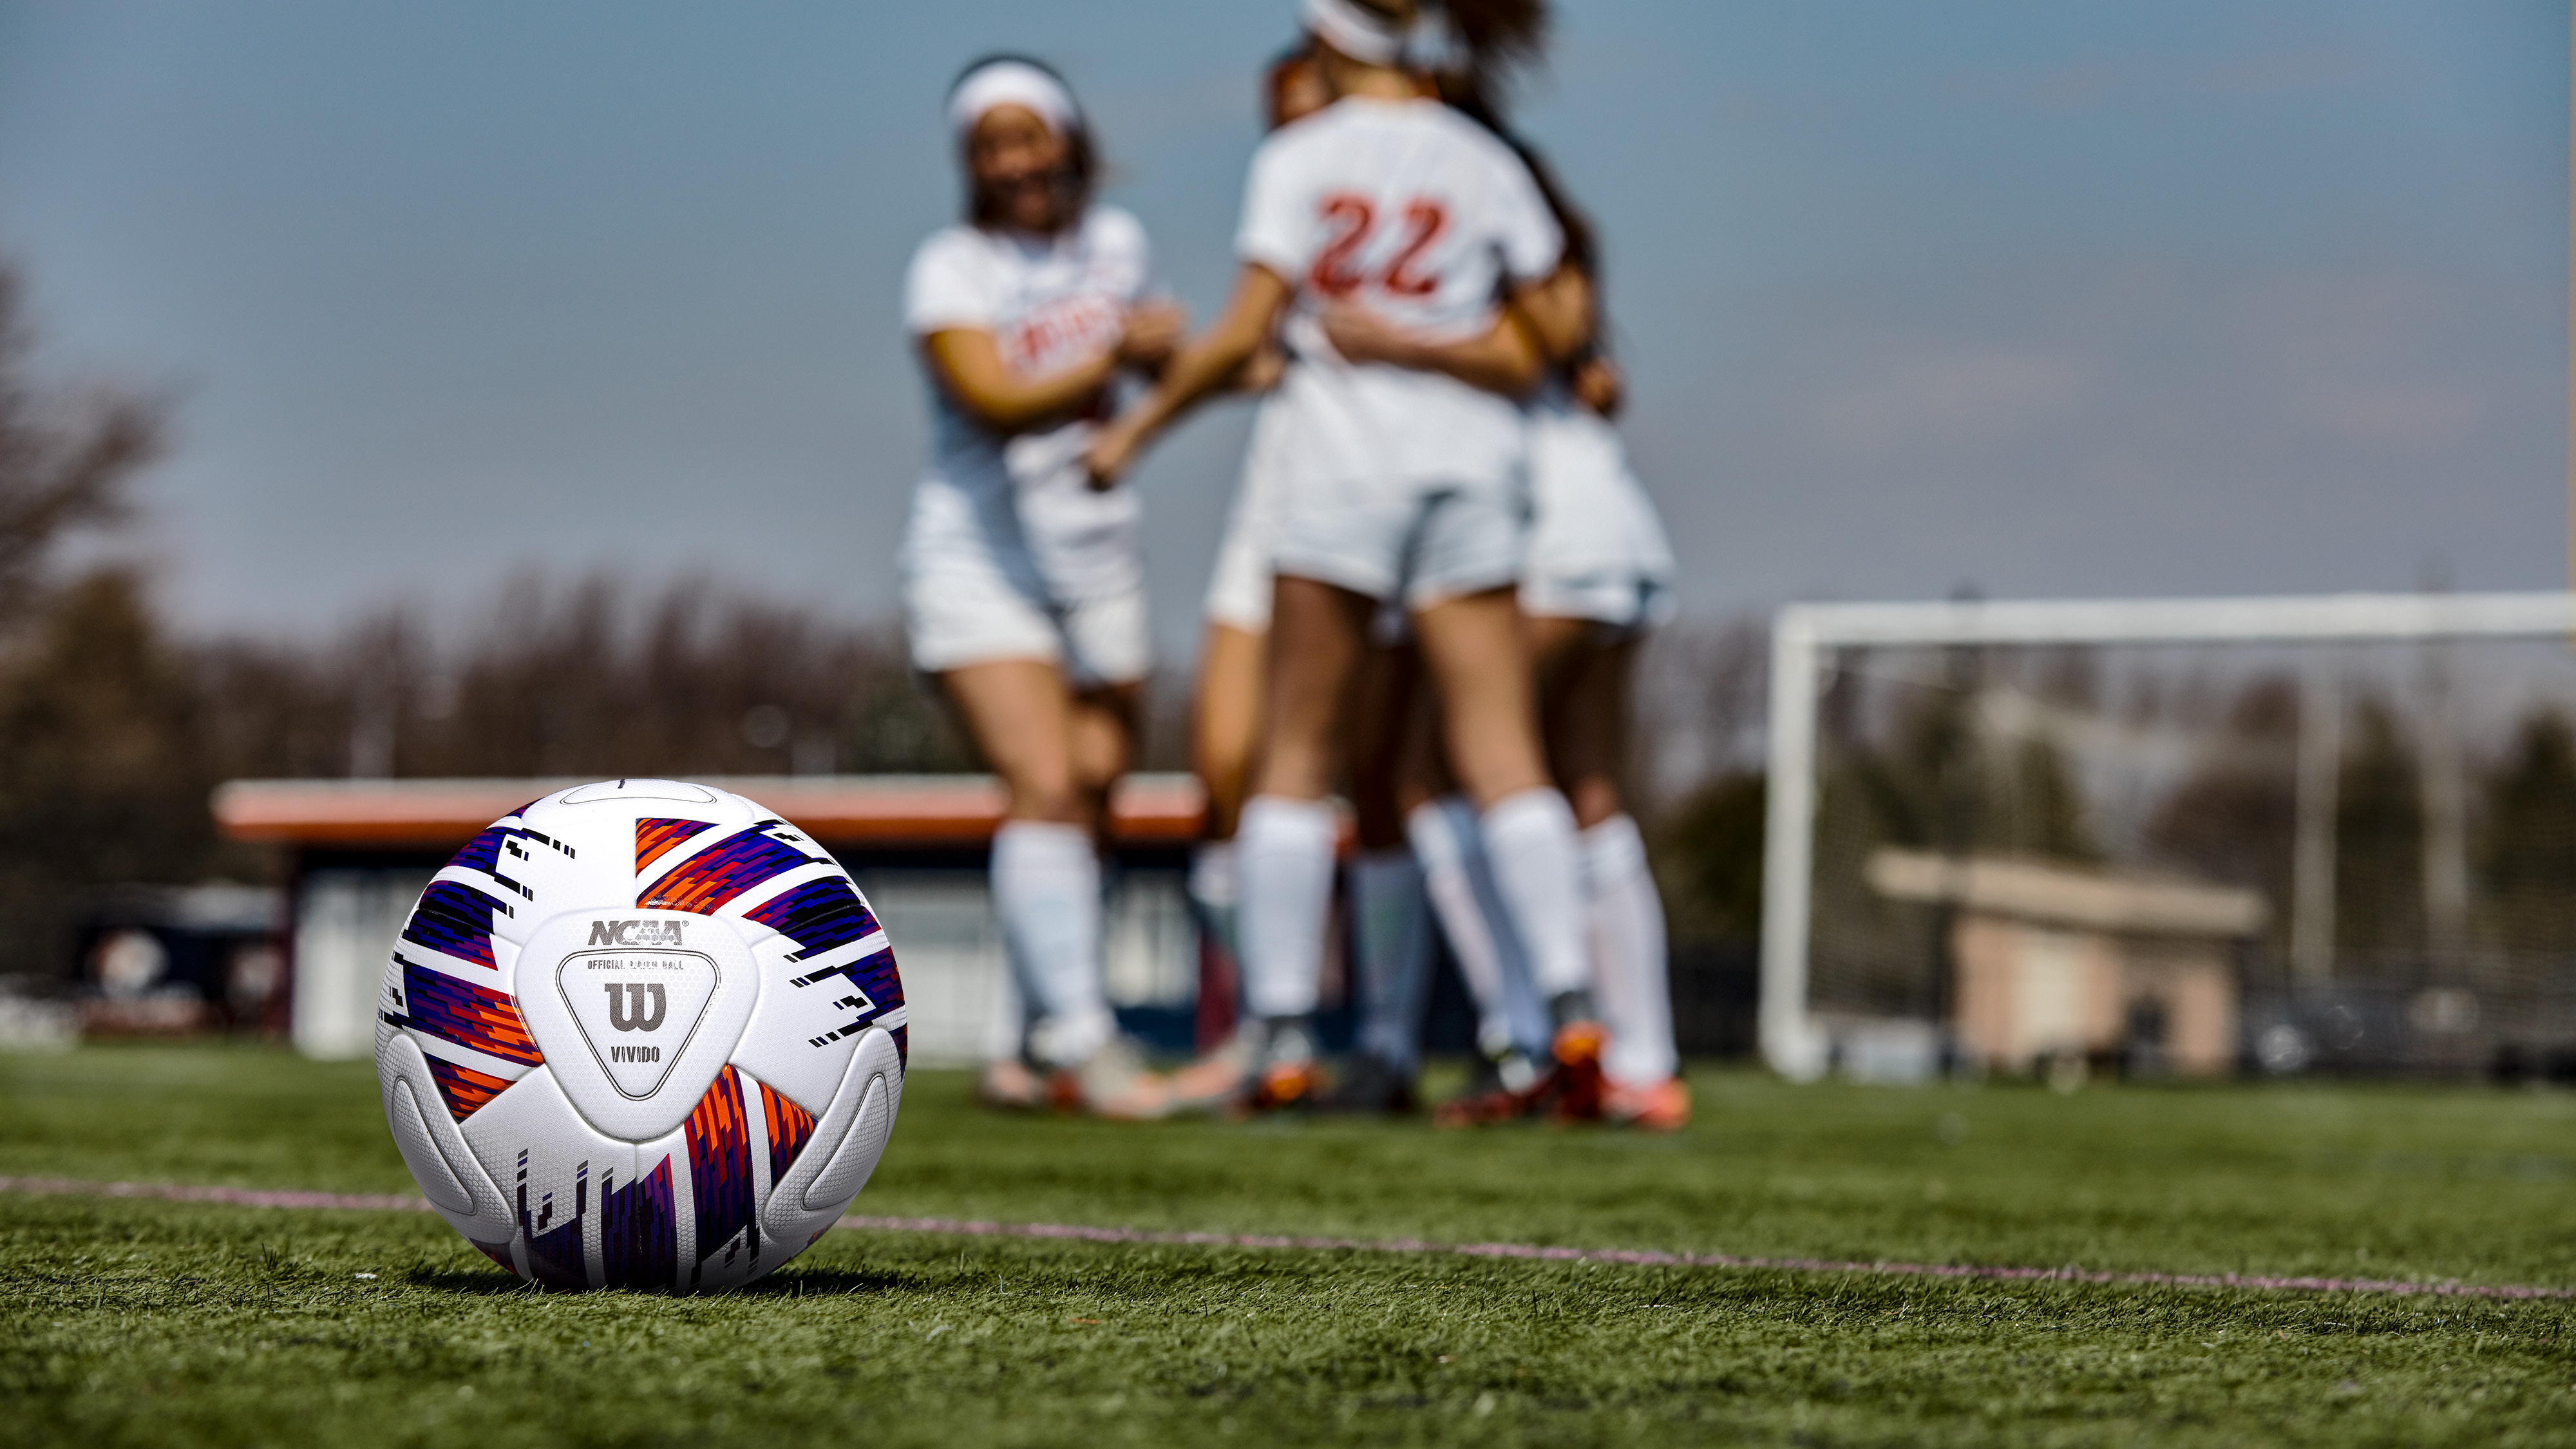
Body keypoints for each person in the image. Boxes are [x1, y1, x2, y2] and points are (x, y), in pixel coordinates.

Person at [1087, 0, 1602, 1112]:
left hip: (1341, 466)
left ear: (1323, 40)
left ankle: (1277, 1030)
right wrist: (1442, 339)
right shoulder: (1482, 156)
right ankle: (1569, 1011)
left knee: (1297, 747)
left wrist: (1134, 431)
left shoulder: (1302, 155)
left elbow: (1242, 327)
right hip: (1472, 467)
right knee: (1503, 748)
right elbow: (1555, 326)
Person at [1320, 99, 1688, 1129]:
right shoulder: (1557, 250)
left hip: (1550, 538)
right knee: (1589, 791)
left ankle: (1530, 1041)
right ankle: (1644, 1067)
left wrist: (1387, 344)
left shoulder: (1487, 264)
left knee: (1444, 773)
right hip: (1617, 528)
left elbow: (1527, 357)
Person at [898, 55, 1186, 1119]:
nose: (1014, 160)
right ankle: (1083, 1038)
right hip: (977, 556)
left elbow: (1150, 376)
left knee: (1093, 792)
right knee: (1047, 780)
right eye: (990, 144)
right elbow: (993, 399)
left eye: (1028, 135)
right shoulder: (948, 267)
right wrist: (1121, 338)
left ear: (1069, 139)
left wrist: (1187, 360)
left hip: (1099, 555)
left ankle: (1018, 1045)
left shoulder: (1118, 245)